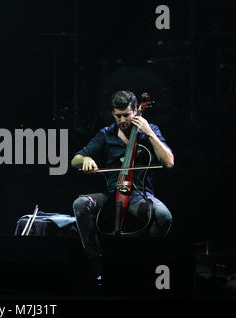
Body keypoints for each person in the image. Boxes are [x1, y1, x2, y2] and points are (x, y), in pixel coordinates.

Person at [71, 90, 174, 259]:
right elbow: (75, 160)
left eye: (126, 115)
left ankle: (147, 258)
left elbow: (169, 162)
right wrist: (86, 160)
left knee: (164, 217)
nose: (123, 121)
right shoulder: (106, 134)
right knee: (80, 204)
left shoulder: (149, 131)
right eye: (118, 116)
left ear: (135, 111)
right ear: (113, 113)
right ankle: (95, 258)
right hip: (111, 194)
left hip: (139, 196)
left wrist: (149, 133)